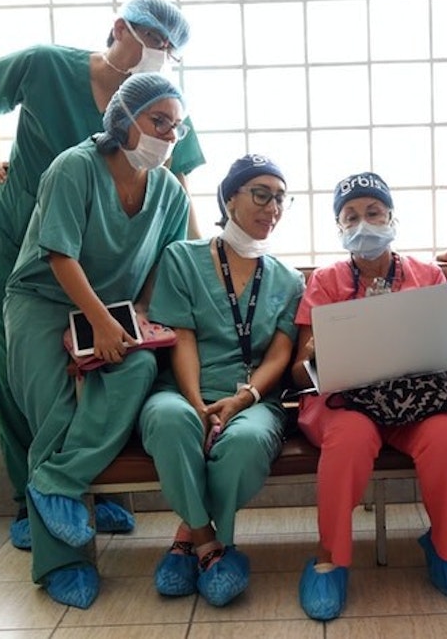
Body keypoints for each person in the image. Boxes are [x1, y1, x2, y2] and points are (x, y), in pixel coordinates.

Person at [0, 0, 206, 549]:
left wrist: (195, 271)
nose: (162, 53)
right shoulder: (50, 68)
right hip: (21, 246)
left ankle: (94, 489)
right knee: (25, 378)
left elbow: (176, 193)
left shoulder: (162, 110)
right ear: (120, 27)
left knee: (110, 374)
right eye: (156, 39)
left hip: (106, 269)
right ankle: (30, 499)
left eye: (171, 48)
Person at [3, 73, 192, 609]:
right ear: (122, 118)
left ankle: (57, 482)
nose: (169, 135)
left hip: (118, 313)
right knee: (57, 412)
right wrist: (100, 322)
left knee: (137, 372)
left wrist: (142, 321)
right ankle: (61, 563)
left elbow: (160, 267)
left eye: (176, 127)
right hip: (44, 301)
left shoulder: (169, 193)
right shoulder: (74, 168)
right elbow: (59, 255)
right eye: (159, 121)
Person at [289, 171, 447, 621]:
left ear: (392, 217)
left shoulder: (427, 275)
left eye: (373, 212)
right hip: (347, 402)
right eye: (350, 217)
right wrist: (317, 352)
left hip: (416, 399)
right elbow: (300, 373)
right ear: (339, 228)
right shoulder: (325, 281)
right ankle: (330, 558)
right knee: (349, 440)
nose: (363, 223)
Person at [137, 154, 305, 607]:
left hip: (254, 398)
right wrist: (196, 403)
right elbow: (182, 337)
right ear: (229, 198)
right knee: (170, 421)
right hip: (184, 389)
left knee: (246, 443)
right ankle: (210, 545)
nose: (273, 207)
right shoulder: (182, 258)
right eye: (261, 194)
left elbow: (280, 354)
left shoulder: (288, 280)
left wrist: (244, 397)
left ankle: (186, 538)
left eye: (281, 199)